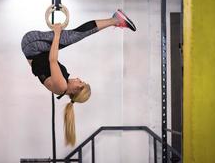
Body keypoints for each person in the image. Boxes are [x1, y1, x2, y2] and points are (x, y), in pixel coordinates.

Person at [21, 9, 136, 146]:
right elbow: (37, 66)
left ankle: (116, 20)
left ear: (75, 90)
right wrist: (30, 55)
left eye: (80, 82)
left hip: (32, 45)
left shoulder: (61, 86)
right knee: (73, 36)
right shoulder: (61, 86)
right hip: (33, 49)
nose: (79, 79)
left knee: (73, 36)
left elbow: (52, 60)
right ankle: (114, 20)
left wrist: (57, 33)